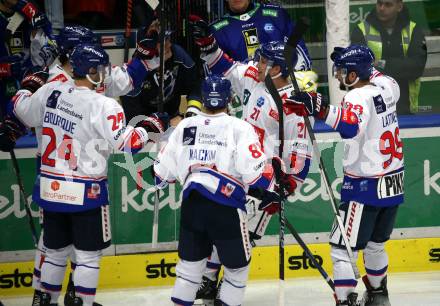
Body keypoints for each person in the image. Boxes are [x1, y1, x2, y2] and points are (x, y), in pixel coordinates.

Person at [10, 43, 169, 306]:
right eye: (102, 69)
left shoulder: (51, 91)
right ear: (91, 70)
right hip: (85, 190)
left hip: (50, 187)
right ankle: (81, 301)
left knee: (55, 252)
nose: (105, 74)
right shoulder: (104, 105)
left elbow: (21, 111)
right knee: (87, 256)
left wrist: (27, 87)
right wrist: (150, 126)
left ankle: (44, 299)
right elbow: (127, 143)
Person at [191, 18, 314, 302]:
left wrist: (288, 184)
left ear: (279, 69)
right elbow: (227, 67)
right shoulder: (254, 74)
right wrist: (208, 45)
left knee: (242, 237)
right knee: (222, 228)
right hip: (237, 168)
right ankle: (209, 281)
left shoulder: (292, 105)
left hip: (266, 179)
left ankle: (226, 286)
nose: (255, 64)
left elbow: (300, 149)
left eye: (262, 62)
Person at [287, 45, 403, 306]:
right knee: (375, 245)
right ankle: (378, 295)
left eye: (343, 71)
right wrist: (356, 55)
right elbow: (372, 72)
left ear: (354, 75)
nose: (339, 75)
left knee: (342, 249)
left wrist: (319, 107)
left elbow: (351, 126)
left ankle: (345, 301)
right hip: (392, 182)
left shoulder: (356, 97)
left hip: (366, 185)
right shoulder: (388, 86)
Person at [154, 74, 279, 306]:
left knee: (189, 271)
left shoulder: (185, 126)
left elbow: (161, 175)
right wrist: (271, 186)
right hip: (227, 207)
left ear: (202, 99)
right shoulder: (240, 127)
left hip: (192, 204)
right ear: (229, 99)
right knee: (237, 270)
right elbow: (255, 176)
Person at [351, 0, 427, 114]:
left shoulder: (414, 30)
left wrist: (381, 64)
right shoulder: (361, 30)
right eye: (379, 3)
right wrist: (401, 66)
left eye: (388, 4)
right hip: (372, 109)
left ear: (399, 6)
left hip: (406, 109)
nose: (382, 8)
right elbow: (359, 68)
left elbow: (417, 67)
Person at [120, 19, 202, 125]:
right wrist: (164, 125)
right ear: (147, 47)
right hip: (143, 126)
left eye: (167, 38)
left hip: (173, 117)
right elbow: (133, 118)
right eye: (161, 41)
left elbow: (195, 86)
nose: (168, 44)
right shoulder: (134, 70)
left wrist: (192, 113)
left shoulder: (179, 54)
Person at [208, 0, 311, 65]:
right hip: (242, 95)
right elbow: (216, 72)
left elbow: (300, 56)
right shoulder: (216, 31)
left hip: (280, 89)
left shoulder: (277, 15)